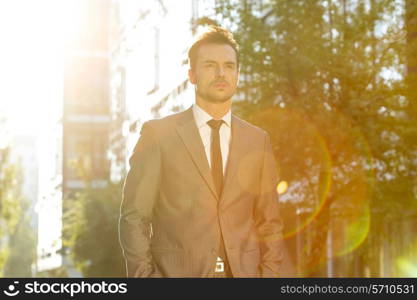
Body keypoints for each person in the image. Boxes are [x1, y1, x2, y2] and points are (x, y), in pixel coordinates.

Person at [119, 26, 283, 278]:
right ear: (192, 75)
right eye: (210, 65)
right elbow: (134, 217)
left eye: (229, 66)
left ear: (238, 74)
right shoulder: (158, 135)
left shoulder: (257, 140)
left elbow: (269, 222)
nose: (221, 73)